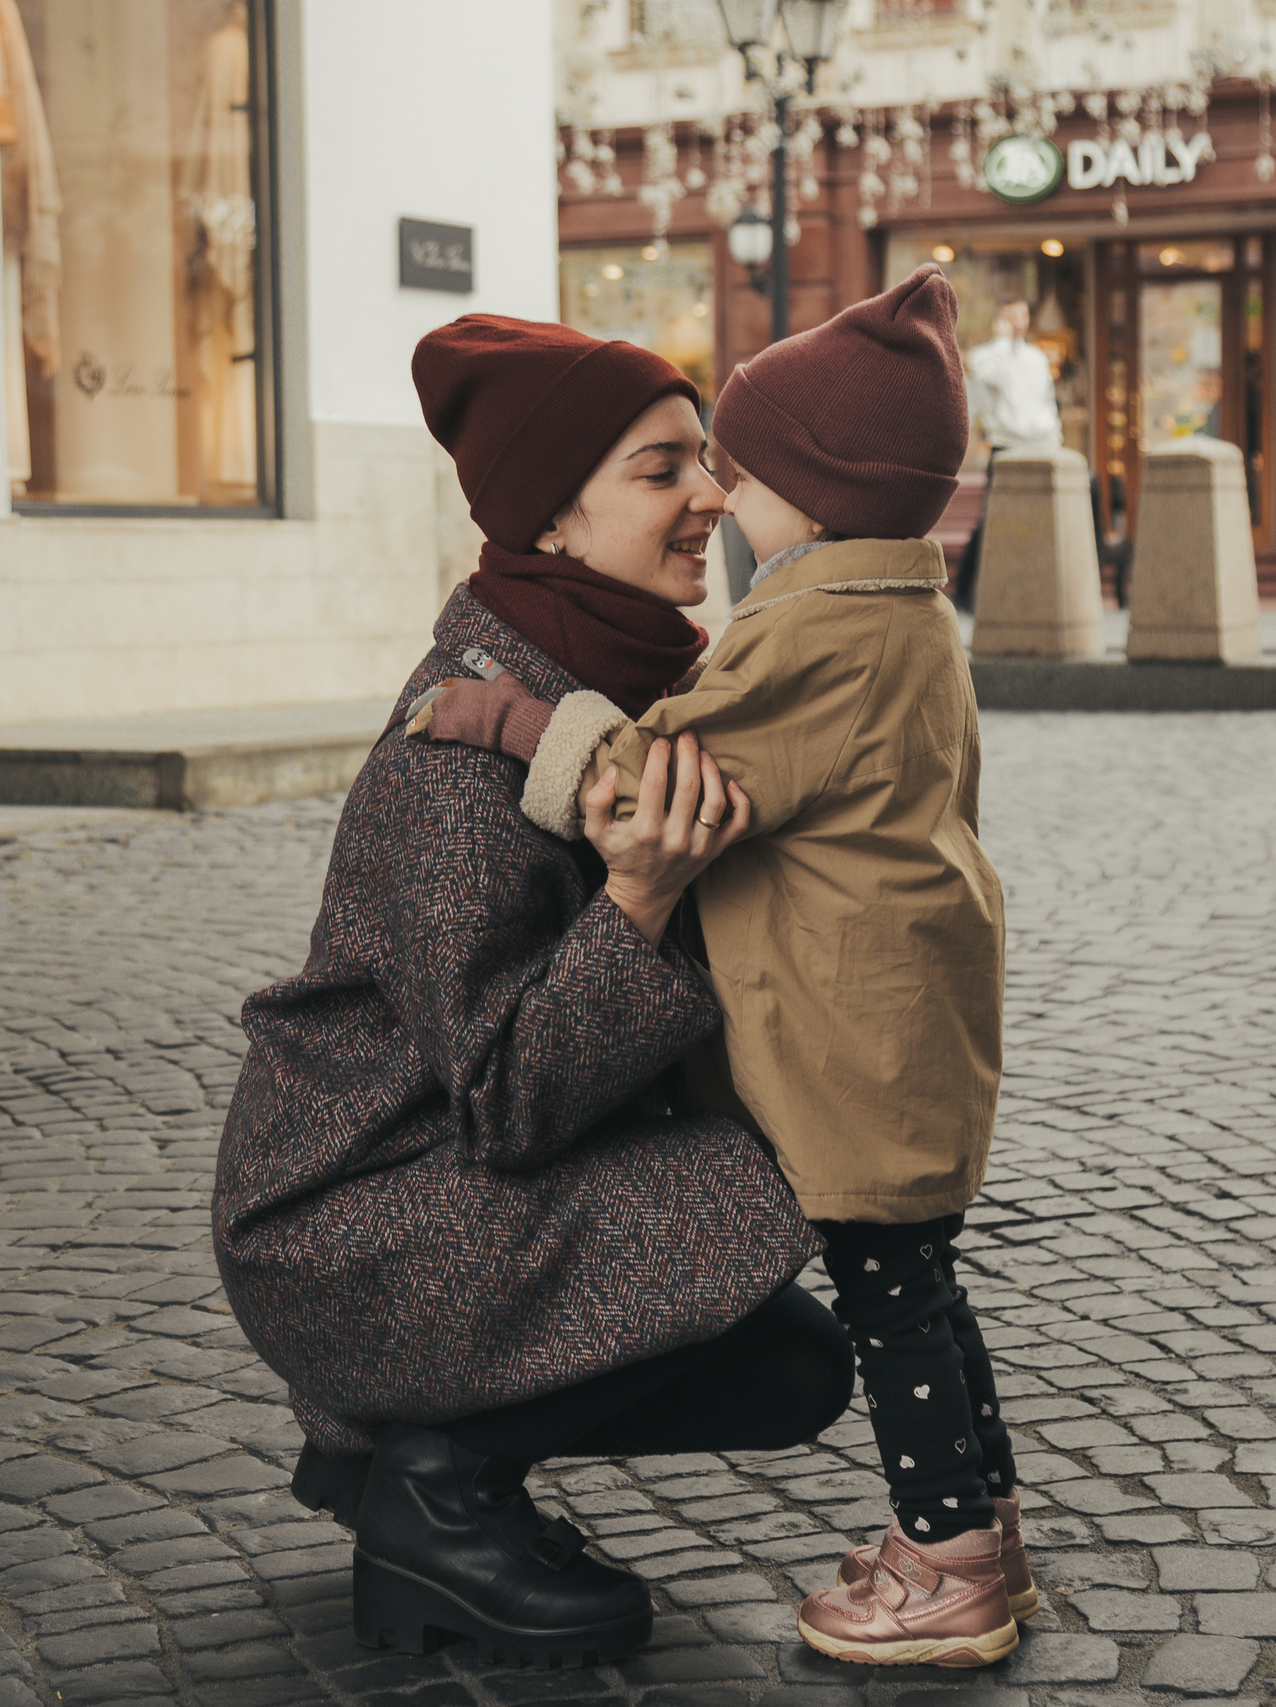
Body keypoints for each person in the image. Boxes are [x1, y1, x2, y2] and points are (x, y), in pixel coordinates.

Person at [211, 315, 856, 1671]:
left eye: (710, 463)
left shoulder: (600, 672)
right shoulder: (456, 750)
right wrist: (637, 901)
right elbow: (507, 1094)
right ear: (553, 516)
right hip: (350, 1214)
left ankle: (429, 1460)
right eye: (662, 470)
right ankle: (435, 1489)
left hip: (442, 1182)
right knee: (759, 1202)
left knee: (794, 1363)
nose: (712, 499)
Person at [410, 267, 1029, 1670]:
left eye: (737, 472)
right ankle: (980, 1522)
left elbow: (658, 782)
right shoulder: (905, 609)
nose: (719, 499)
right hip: (904, 1020)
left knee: (892, 1299)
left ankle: (948, 1564)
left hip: (849, 1044)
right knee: (922, 1283)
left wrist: (512, 719)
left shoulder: (821, 629)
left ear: (812, 497)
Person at [955, 297, 1063, 609]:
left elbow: (1046, 401)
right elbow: (988, 378)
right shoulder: (986, 356)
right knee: (993, 520)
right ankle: (964, 589)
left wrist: (1054, 442)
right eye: (1012, 315)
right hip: (1005, 448)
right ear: (1001, 318)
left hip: (1039, 448)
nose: (1018, 320)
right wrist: (1002, 342)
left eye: (1023, 314)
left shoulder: (1036, 358)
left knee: (1036, 520)